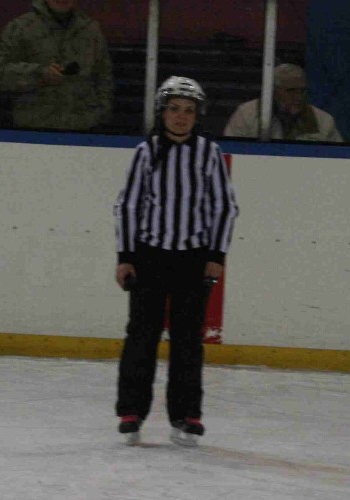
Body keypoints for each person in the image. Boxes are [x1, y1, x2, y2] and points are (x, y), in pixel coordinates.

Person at [113, 77, 239, 447]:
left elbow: (224, 207)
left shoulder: (208, 153)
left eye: (188, 110)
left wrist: (216, 255)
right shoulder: (146, 152)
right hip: (150, 257)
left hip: (193, 260)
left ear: (197, 115)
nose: (181, 117)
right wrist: (125, 257)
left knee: (188, 341)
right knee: (141, 335)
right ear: (161, 112)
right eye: (174, 109)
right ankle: (131, 411)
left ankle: (187, 415)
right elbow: (128, 205)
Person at [0, 0, 113, 132]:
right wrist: (39, 74)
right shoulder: (21, 27)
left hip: (84, 127)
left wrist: (101, 113)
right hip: (34, 127)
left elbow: (103, 75)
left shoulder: (91, 29)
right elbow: (0, 74)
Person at [223, 63, 343, 143]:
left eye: (302, 91)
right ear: (274, 91)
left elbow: (339, 160)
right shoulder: (246, 114)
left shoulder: (323, 121)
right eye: (291, 91)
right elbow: (230, 151)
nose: (299, 97)